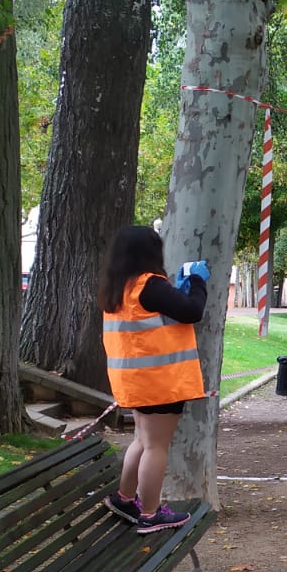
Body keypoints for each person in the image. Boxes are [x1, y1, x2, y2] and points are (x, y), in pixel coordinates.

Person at [97, 225, 209, 533]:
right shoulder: (150, 285)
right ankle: (149, 513)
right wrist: (198, 281)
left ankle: (124, 498)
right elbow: (191, 311)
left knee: (143, 441)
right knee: (156, 447)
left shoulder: (119, 289)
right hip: (161, 382)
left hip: (135, 381)